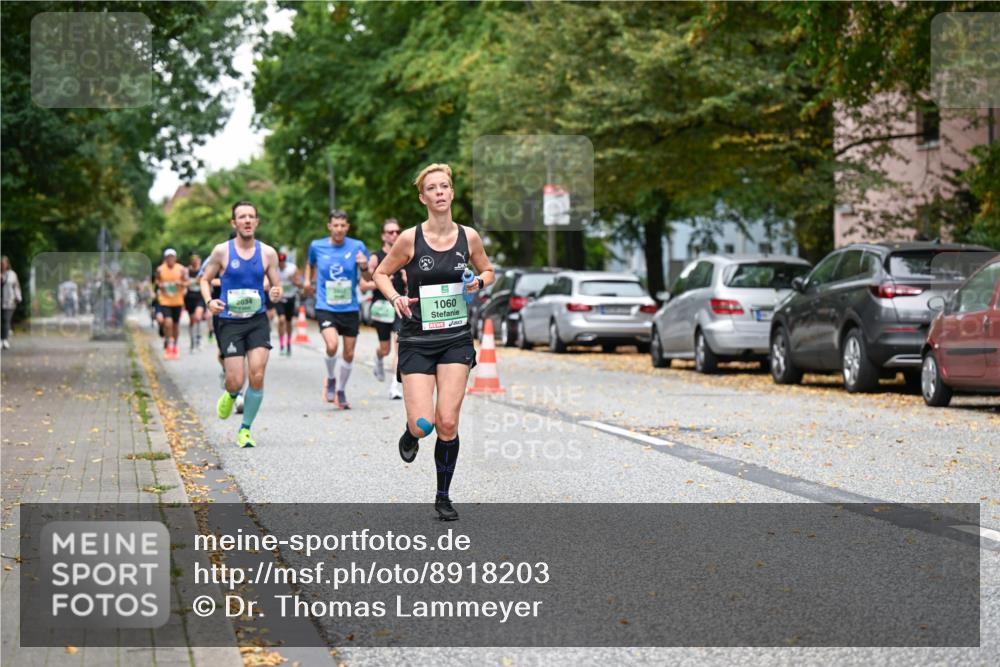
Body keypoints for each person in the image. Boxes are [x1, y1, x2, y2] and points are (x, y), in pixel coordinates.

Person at [373, 163, 495, 521]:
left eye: (445, 186)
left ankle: (443, 495)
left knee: (447, 422)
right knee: (423, 423)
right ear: (423, 197)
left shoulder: (468, 237)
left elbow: (488, 270)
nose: (440, 192)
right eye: (433, 188)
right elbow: (381, 272)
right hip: (416, 339)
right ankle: (410, 435)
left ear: (452, 193)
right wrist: (395, 296)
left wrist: (479, 284)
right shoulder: (410, 238)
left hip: (455, 338)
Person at [199, 201, 282, 448]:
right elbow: (205, 279)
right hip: (229, 322)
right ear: (233, 223)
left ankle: (245, 429)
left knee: (257, 374)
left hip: (257, 320)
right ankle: (232, 392)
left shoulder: (268, 253)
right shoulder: (221, 251)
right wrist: (209, 301)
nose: (247, 221)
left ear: (256, 222)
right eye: (241, 217)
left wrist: (276, 293)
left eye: (251, 217)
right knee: (236, 379)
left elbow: (276, 286)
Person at [304, 209, 372, 409]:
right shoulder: (317, 246)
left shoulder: (358, 246)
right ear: (329, 226)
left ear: (347, 227)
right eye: (336, 225)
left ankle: (341, 390)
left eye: (343, 225)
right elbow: (310, 264)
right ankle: (331, 378)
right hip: (325, 305)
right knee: (332, 346)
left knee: (349, 354)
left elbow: (368, 279)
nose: (339, 229)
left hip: (350, 307)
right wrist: (308, 280)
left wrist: (365, 266)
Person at [368, 218, 406, 398]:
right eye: (390, 232)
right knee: (385, 349)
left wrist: (408, 280)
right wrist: (380, 283)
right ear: (383, 236)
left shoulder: (405, 254)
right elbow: (362, 284)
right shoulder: (376, 257)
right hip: (381, 306)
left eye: (397, 231)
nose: (395, 235)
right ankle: (378, 358)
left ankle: (394, 387)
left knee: (400, 344)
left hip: (399, 305)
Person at [156, 249, 187, 359]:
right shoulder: (160, 269)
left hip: (177, 301)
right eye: (168, 257)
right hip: (165, 300)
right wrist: (162, 285)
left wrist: (181, 283)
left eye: (172, 257)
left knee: (175, 325)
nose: (170, 259)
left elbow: (186, 282)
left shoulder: (181, 269)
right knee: (168, 323)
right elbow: (157, 282)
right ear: (165, 258)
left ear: (175, 258)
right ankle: (169, 343)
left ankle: (175, 345)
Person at [275, 252, 301, 356]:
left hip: (291, 297)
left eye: (282, 262)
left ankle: (288, 343)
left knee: (288, 322)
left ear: (285, 261)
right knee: (281, 320)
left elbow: (300, 284)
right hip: (280, 299)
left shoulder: (292, 268)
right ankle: (281, 345)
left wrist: (293, 280)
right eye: (279, 262)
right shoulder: (274, 269)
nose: (281, 264)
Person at [184, 253, 207, 350]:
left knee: (198, 317)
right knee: (192, 320)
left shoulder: (203, 270)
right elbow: (183, 282)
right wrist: (191, 282)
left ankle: (199, 338)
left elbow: (207, 281)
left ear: (200, 260)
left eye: (197, 259)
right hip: (189, 297)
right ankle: (192, 340)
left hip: (200, 297)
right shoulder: (186, 270)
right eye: (193, 259)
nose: (195, 261)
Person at [1, 256, 22, 349]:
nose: (2, 265)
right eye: (1, 264)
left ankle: (4, 340)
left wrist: (18, 297)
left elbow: (16, 286)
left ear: (7, 264)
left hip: (9, 301)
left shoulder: (12, 274)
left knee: (6, 320)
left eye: (4, 263)